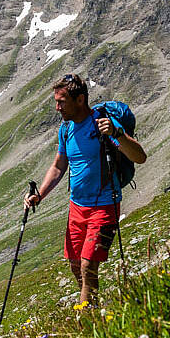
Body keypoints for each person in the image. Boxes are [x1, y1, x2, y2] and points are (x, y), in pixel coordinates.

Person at [26, 74, 147, 308]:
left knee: (87, 265)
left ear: (80, 100)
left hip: (104, 205)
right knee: (74, 264)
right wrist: (39, 194)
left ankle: (86, 322)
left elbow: (140, 157)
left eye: (61, 101)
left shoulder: (103, 124)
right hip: (77, 207)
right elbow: (59, 165)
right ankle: (95, 306)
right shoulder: (66, 129)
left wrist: (117, 134)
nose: (57, 107)